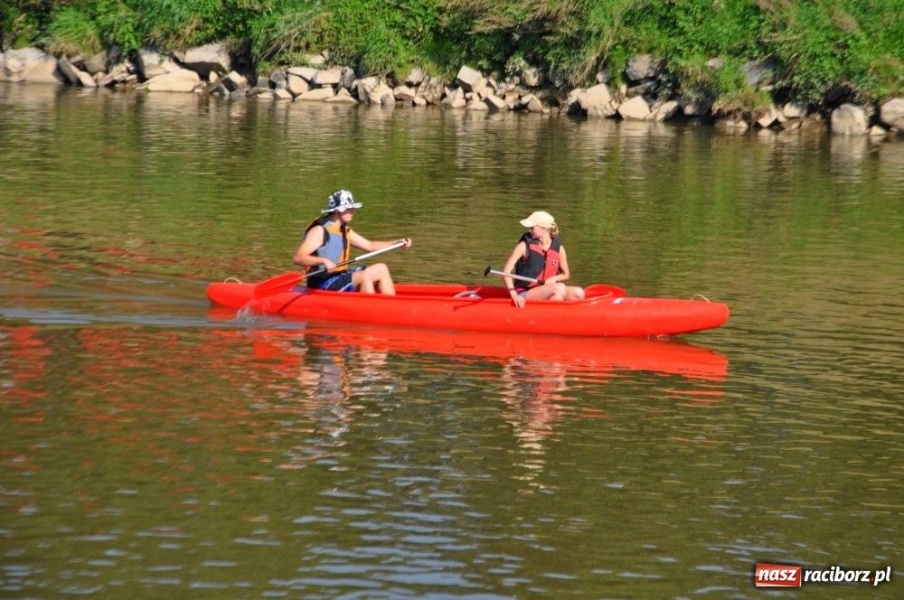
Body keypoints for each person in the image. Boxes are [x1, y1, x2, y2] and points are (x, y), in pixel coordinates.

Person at [293, 190, 412, 294]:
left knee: (381, 268)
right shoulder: (319, 231)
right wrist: (323, 261)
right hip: (321, 282)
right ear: (339, 210)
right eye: (349, 208)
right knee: (363, 276)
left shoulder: (344, 230)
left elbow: (369, 245)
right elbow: (298, 258)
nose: (353, 211)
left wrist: (397, 242)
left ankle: (391, 306)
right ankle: (372, 310)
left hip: (339, 276)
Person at [501, 210, 585, 308]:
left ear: (544, 228)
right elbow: (505, 272)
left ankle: (554, 314)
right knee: (559, 289)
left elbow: (566, 274)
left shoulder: (559, 249)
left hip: (549, 288)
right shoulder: (523, 246)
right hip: (525, 292)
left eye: (532, 228)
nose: (529, 230)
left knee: (579, 293)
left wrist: (555, 278)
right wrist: (514, 295)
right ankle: (547, 318)